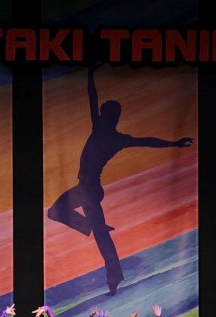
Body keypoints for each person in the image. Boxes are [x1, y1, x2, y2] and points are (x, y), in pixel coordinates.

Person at [47, 63, 195, 294]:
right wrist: (90, 74)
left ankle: (113, 275)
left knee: (99, 236)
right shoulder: (100, 129)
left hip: (89, 190)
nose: (103, 115)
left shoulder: (115, 137)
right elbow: (92, 98)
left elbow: (147, 141)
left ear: (113, 118)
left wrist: (175, 143)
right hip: (85, 188)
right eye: (103, 112)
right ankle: (94, 228)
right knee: (56, 212)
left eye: (107, 113)